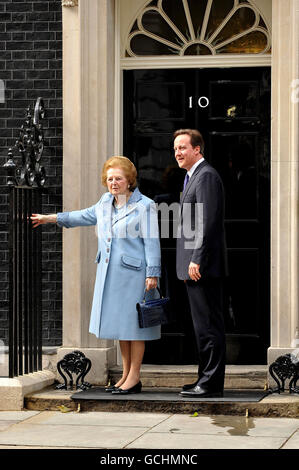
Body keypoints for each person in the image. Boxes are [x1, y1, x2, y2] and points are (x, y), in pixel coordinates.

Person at [31, 156, 161, 395]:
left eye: (118, 179)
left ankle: (135, 377)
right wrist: (50, 218)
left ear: (129, 180)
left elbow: (152, 242)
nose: (113, 183)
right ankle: (124, 376)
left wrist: (153, 274)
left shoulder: (145, 205)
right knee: (122, 328)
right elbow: (81, 216)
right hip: (111, 275)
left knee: (135, 328)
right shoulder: (104, 203)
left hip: (135, 275)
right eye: (110, 179)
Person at [173, 129, 227, 398]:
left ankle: (210, 383)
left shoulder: (206, 176)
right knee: (201, 326)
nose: (178, 153)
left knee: (208, 327)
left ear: (198, 149)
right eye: (175, 149)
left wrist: (196, 259)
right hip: (194, 266)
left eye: (182, 147)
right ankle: (203, 378)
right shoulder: (191, 177)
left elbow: (208, 222)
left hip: (202, 267)